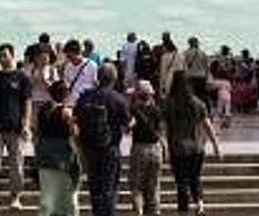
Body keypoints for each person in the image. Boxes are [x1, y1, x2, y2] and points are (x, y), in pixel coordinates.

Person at [0, 42, 32, 216]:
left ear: (12, 55)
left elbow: (27, 103)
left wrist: (26, 124)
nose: (2, 58)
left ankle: (16, 197)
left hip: (16, 128)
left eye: (5, 55)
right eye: (0, 55)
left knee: (16, 165)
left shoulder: (22, 77)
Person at [75, 62, 131, 216]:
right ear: (114, 78)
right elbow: (127, 125)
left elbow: (76, 119)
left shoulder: (85, 97)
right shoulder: (118, 99)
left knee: (95, 188)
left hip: (89, 149)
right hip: (110, 149)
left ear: (97, 77)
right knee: (109, 189)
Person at [162, 71, 220, 216]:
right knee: (195, 178)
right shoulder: (198, 103)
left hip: (177, 148)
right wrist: (216, 146)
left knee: (181, 182)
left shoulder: (169, 103)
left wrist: (164, 147)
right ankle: (200, 205)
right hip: (197, 147)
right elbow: (207, 126)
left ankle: (183, 211)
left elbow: (163, 127)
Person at [32, 78, 80, 216]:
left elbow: (36, 130)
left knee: (47, 198)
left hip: (45, 158)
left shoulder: (42, 111)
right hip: (63, 159)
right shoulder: (66, 112)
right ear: (66, 95)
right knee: (68, 198)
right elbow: (74, 133)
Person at [126, 80, 164, 216]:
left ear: (137, 95)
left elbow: (128, 127)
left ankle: (139, 212)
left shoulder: (134, 110)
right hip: (156, 149)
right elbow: (161, 131)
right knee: (154, 187)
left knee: (136, 186)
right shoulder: (157, 110)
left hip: (140, 149)